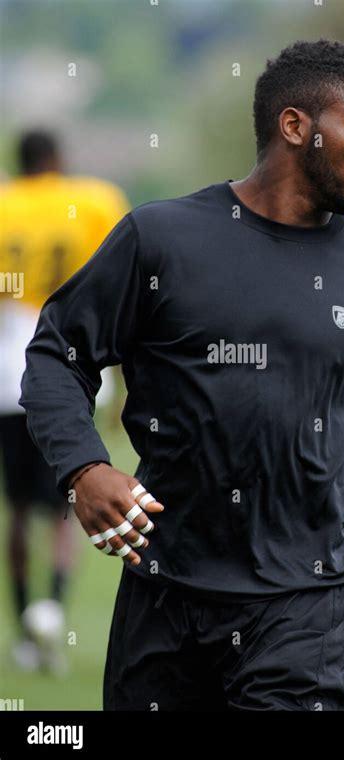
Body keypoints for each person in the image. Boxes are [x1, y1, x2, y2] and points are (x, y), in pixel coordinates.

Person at [20, 40, 344, 710]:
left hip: (309, 604)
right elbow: (56, 353)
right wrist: (84, 468)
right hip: (163, 594)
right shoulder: (160, 240)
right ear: (295, 127)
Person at [0, 130, 129, 671]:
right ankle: (53, 606)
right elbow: (118, 292)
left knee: (18, 508)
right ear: (58, 159)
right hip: (73, 359)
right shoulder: (95, 201)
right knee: (69, 495)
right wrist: (122, 381)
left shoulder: (5, 203)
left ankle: (28, 626)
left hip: (8, 363)